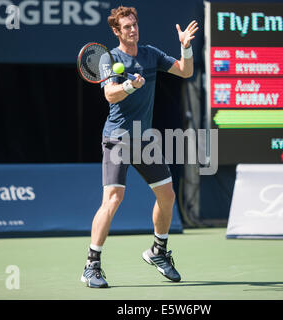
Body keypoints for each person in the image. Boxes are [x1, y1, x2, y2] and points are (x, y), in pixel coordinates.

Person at [80, 6, 198, 288]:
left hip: (144, 139)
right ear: (116, 31)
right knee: (113, 199)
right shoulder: (109, 59)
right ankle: (91, 265)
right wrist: (131, 87)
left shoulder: (151, 54)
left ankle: (158, 251)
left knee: (167, 195)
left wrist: (186, 49)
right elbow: (110, 94)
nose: (133, 29)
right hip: (118, 138)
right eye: (127, 27)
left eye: (134, 24)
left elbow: (185, 71)